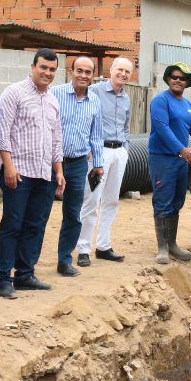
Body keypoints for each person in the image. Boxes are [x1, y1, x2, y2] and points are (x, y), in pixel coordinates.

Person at [0, 48, 66, 298]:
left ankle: (24, 274)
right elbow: (2, 133)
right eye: (43, 67)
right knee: (12, 225)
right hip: (19, 173)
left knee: (35, 225)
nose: (47, 73)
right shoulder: (14, 93)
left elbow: (57, 139)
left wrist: (59, 171)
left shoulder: (53, 100)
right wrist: (9, 166)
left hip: (44, 174)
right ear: (33, 66)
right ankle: (3, 278)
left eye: (52, 69)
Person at [148, 62, 191, 265]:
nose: (177, 80)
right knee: (163, 201)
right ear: (168, 79)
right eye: (174, 76)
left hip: (180, 161)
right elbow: (163, 128)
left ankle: (173, 244)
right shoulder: (160, 101)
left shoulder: (187, 105)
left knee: (176, 202)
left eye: (182, 78)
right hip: (163, 159)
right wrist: (181, 149)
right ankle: (162, 248)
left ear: (187, 82)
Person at [76, 57, 134, 266]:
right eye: (120, 69)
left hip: (119, 152)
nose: (123, 74)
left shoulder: (126, 98)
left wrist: (125, 149)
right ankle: (83, 248)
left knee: (112, 200)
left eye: (127, 71)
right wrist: (89, 149)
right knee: (92, 200)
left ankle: (103, 246)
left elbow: (126, 126)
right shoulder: (96, 92)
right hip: (99, 153)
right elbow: (84, 118)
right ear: (111, 70)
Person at [51, 56, 104, 277]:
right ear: (71, 71)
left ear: (93, 76)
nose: (83, 75)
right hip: (52, 163)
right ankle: (27, 266)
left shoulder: (95, 101)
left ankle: (64, 261)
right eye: (79, 71)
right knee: (40, 213)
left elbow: (97, 135)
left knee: (73, 214)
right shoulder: (55, 94)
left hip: (79, 163)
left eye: (88, 72)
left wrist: (98, 164)